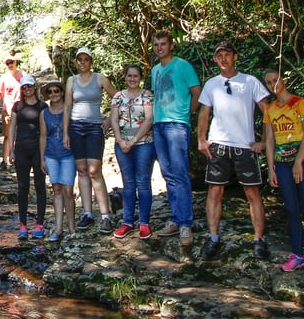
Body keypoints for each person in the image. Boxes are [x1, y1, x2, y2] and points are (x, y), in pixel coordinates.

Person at [196, 42, 272, 261]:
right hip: (218, 144)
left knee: (252, 193)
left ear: (235, 57)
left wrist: (264, 140)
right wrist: (202, 139)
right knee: (215, 191)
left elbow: (267, 111)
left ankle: (258, 239)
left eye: (227, 55)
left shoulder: (250, 81)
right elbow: (204, 113)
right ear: (214, 59)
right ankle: (213, 237)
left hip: (244, 145)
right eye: (219, 55)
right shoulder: (212, 84)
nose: (223, 59)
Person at [263, 68, 304, 275]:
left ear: (284, 80)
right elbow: (270, 140)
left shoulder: (300, 103)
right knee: (291, 208)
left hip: (303, 160)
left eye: (276, 80)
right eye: (269, 82)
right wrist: (271, 167)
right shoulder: (270, 109)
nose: (273, 85)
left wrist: (299, 161)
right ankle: (297, 254)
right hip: (281, 163)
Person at [151, 30, 202, 250]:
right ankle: (175, 217)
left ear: (171, 46)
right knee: (168, 174)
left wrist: (186, 114)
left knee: (180, 172)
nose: (159, 48)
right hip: (159, 125)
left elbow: (197, 92)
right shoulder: (154, 70)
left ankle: (185, 223)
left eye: (163, 44)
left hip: (177, 125)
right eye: (156, 45)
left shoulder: (183, 66)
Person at [63, 47, 118, 233]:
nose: (83, 63)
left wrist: (109, 120)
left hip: (95, 127)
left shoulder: (100, 78)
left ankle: (105, 215)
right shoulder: (71, 81)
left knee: (95, 170)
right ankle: (87, 213)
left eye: (86, 59)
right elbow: (67, 107)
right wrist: (65, 133)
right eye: (80, 60)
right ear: (76, 62)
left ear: (91, 62)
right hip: (76, 127)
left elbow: (118, 98)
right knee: (82, 170)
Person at [109, 64, 156, 240]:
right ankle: (127, 222)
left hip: (144, 143)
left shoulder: (147, 96)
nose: (132, 79)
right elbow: (114, 119)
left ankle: (144, 223)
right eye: (129, 76)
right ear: (125, 76)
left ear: (140, 77)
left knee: (143, 182)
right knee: (128, 184)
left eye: (135, 76)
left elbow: (149, 119)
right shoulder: (118, 97)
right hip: (122, 144)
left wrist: (134, 141)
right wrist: (121, 141)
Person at [9, 74, 47, 239]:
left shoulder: (42, 106)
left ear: (34, 87)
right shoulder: (17, 106)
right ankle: (23, 225)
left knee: (40, 186)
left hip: (38, 150)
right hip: (21, 149)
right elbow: (11, 128)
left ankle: (39, 224)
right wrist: (10, 150)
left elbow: (45, 131)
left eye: (29, 86)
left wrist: (46, 154)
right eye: (24, 87)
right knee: (22, 187)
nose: (27, 89)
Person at [40, 79, 75, 242]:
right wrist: (42, 159)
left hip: (68, 154)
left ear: (61, 93)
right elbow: (43, 136)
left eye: (56, 91)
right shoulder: (44, 113)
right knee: (57, 190)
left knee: (68, 190)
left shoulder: (69, 109)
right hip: (51, 154)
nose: (53, 94)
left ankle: (72, 227)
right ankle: (59, 228)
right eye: (50, 92)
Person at [0, 55, 26, 170]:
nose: (10, 65)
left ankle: (20, 159)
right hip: (8, 110)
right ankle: (4, 160)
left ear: (16, 62)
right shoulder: (4, 77)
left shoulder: (23, 75)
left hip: (22, 109)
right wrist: (7, 105)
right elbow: (0, 93)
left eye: (11, 62)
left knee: (21, 134)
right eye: (7, 63)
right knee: (7, 135)